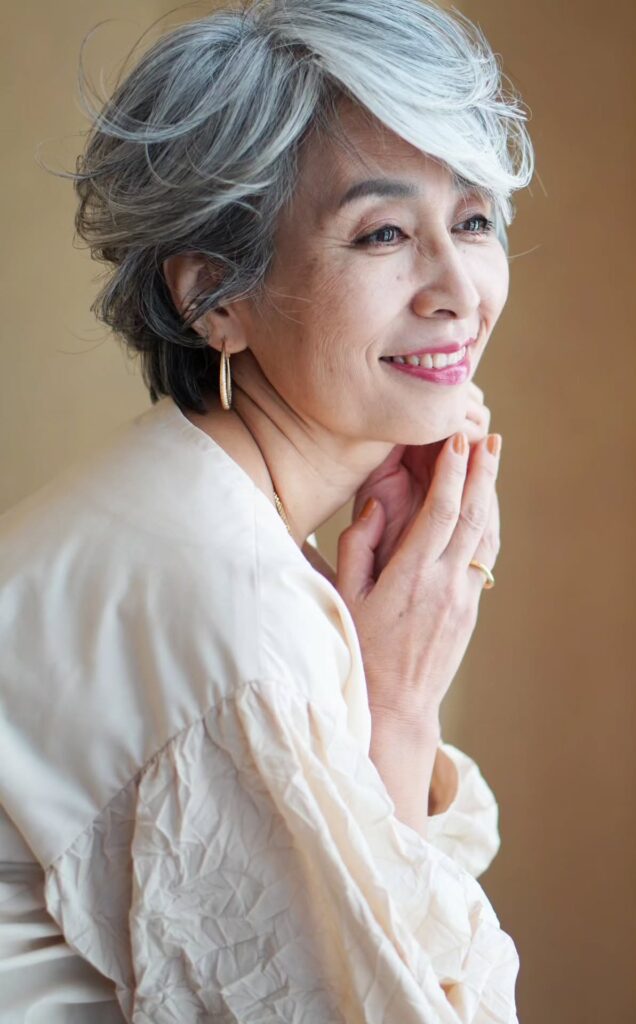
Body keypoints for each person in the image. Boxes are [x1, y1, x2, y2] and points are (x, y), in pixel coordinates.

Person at [0, 0, 534, 1020]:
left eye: (473, 219)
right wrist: (400, 712)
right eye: (383, 232)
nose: (459, 286)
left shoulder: (186, 505)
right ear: (216, 297)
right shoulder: (227, 606)